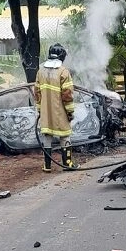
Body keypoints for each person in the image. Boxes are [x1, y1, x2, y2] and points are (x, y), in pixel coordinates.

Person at [34, 43, 76, 172]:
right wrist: (70, 112)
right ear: (62, 56)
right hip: (60, 111)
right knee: (65, 136)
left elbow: (37, 93)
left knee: (47, 136)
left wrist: (40, 109)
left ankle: (47, 166)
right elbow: (67, 95)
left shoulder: (40, 71)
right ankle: (67, 164)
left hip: (46, 112)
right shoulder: (63, 72)